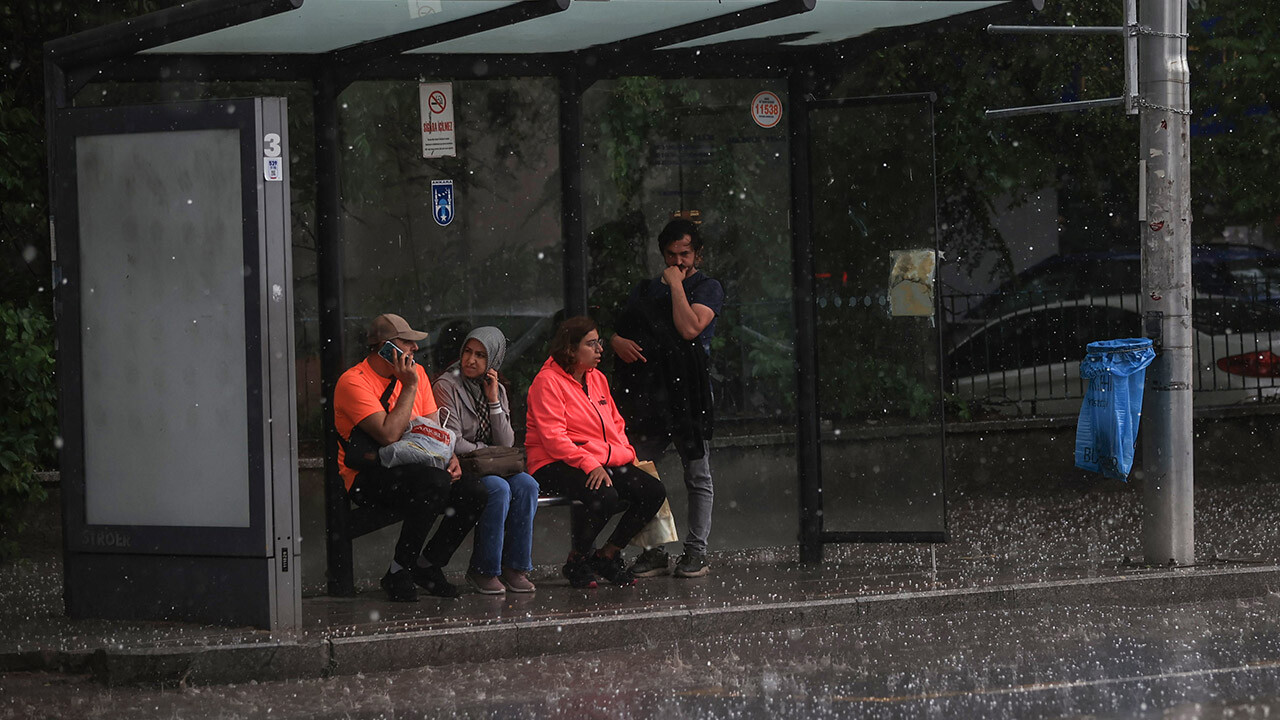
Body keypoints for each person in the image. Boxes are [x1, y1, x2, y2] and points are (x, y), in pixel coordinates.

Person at [333, 313, 487, 602]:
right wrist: (410, 386)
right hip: (366, 476)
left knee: (474, 490)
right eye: (407, 343)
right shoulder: (354, 382)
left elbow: (432, 434)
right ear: (385, 347)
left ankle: (428, 565)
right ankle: (399, 569)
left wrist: (449, 455)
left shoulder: (417, 374)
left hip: (415, 472)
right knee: (434, 482)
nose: (415, 349)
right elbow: (389, 435)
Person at [610, 218, 724, 579]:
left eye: (685, 254)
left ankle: (696, 549)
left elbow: (690, 327)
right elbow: (620, 327)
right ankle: (655, 549)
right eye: (672, 255)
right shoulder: (644, 290)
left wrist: (676, 285)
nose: (679, 262)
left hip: (688, 392)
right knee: (645, 471)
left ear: (698, 254)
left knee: (697, 471)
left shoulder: (707, 287)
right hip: (649, 393)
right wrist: (616, 342)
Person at [526, 316, 667, 589]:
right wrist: (589, 463)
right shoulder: (547, 381)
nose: (600, 349)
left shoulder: (597, 378)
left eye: (599, 342)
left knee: (652, 491)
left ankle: (608, 555)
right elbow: (554, 438)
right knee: (605, 495)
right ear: (570, 348)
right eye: (591, 344)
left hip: (598, 459)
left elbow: (615, 424)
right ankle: (578, 560)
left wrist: (627, 454)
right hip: (552, 462)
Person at [433, 327, 539, 595]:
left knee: (527, 484)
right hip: (464, 467)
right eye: (468, 352)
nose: (471, 360)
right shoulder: (446, 386)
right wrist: (487, 452)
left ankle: (514, 567)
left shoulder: (497, 388)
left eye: (480, 355)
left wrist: (493, 401)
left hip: (491, 464)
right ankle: (484, 569)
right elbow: (453, 440)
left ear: (493, 360)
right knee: (498, 488)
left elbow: (505, 442)